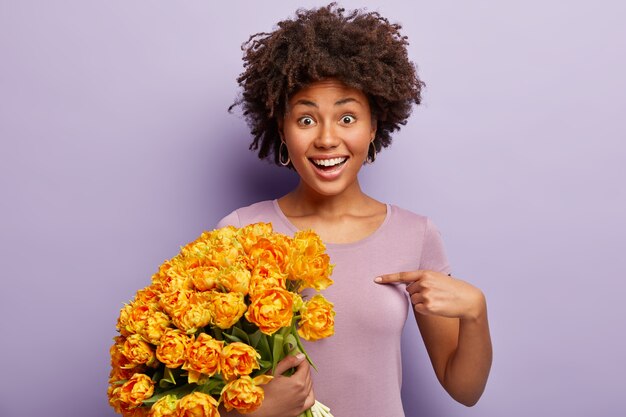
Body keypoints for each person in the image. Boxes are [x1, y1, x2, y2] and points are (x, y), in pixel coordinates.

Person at [216, 4, 492, 417]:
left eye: (347, 117)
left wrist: (476, 311)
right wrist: (251, 411)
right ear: (281, 129)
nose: (328, 139)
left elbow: (464, 389)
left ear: (374, 126)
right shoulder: (240, 231)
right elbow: (196, 388)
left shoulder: (415, 235)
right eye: (306, 119)